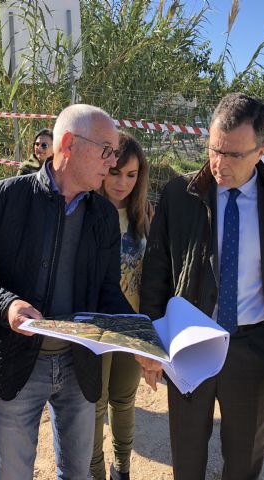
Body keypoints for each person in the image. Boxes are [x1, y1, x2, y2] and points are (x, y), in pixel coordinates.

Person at [0, 104, 133, 480]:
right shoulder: (4, 197)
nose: (112, 162)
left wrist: (143, 336)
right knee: (13, 474)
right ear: (67, 144)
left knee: (78, 474)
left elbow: (106, 290)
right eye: (105, 150)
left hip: (79, 365)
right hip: (16, 362)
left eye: (114, 152)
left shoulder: (102, 216)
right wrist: (8, 306)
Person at [138, 93, 264, 480]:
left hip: (255, 349)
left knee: (244, 457)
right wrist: (150, 342)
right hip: (190, 343)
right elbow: (157, 270)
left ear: (262, 150)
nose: (219, 163)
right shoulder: (180, 196)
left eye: (233, 154)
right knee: (187, 452)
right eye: (215, 149)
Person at [91, 131, 153, 480]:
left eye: (132, 175)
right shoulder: (87, 210)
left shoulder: (143, 213)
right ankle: (96, 472)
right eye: (116, 172)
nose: (123, 183)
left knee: (124, 401)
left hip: (132, 326)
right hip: (95, 328)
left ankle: (122, 469)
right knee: (95, 405)